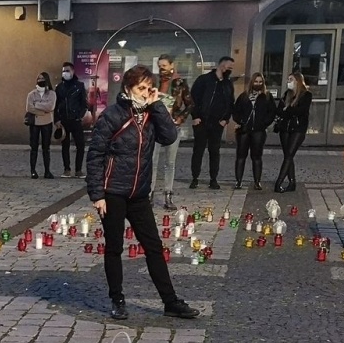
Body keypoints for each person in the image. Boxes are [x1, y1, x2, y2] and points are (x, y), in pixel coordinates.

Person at [86, 65, 202, 323]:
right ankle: (117, 300)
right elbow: (95, 155)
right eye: (140, 88)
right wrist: (97, 194)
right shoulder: (113, 115)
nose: (145, 92)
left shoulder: (151, 114)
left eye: (149, 88)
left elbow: (169, 136)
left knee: (154, 247)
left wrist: (157, 105)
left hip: (139, 193)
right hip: (113, 192)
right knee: (114, 247)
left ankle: (170, 302)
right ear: (128, 89)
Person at [189, 56, 235, 188]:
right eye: (229, 67)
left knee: (214, 151)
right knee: (198, 150)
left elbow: (230, 103)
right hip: (201, 121)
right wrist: (195, 116)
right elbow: (193, 99)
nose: (230, 70)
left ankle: (213, 179)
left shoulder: (227, 84)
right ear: (222, 66)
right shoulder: (204, 80)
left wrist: (225, 119)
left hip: (217, 123)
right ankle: (195, 178)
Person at [151, 55, 188, 208]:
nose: (162, 68)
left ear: (172, 65)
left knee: (170, 163)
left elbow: (190, 104)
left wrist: (180, 118)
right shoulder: (154, 82)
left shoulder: (180, 83)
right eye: (160, 66)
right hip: (155, 126)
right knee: (152, 161)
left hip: (173, 126)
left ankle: (168, 195)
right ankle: (149, 194)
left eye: (164, 65)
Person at [232, 72, 277, 190]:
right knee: (241, 156)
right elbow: (236, 111)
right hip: (244, 130)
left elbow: (272, 112)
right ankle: (238, 181)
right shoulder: (244, 96)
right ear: (252, 82)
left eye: (260, 82)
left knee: (257, 157)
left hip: (259, 131)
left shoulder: (267, 96)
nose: (258, 84)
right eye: (256, 82)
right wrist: (241, 121)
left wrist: (264, 123)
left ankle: (257, 181)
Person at [272, 73, 312, 193]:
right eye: (288, 79)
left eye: (291, 79)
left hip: (298, 128)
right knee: (288, 155)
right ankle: (292, 182)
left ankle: (278, 182)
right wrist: (287, 111)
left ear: (298, 81)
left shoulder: (306, 95)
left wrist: (288, 109)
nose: (288, 81)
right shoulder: (287, 94)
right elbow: (279, 110)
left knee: (289, 154)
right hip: (285, 128)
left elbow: (301, 111)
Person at [54, 62, 89, 178]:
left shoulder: (79, 86)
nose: (65, 73)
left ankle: (78, 170)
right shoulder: (59, 87)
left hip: (75, 120)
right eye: (63, 71)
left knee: (80, 145)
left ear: (73, 71)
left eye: (67, 70)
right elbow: (56, 105)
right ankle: (66, 169)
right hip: (63, 120)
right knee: (65, 146)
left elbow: (84, 104)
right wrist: (57, 119)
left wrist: (80, 116)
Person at [26, 72, 56, 178]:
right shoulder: (31, 94)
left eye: (43, 78)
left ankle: (47, 171)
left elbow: (50, 107)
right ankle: (33, 171)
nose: (40, 80)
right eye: (39, 78)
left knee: (46, 148)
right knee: (34, 147)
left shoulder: (52, 94)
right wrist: (43, 111)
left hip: (47, 123)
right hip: (35, 123)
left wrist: (37, 105)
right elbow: (29, 108)